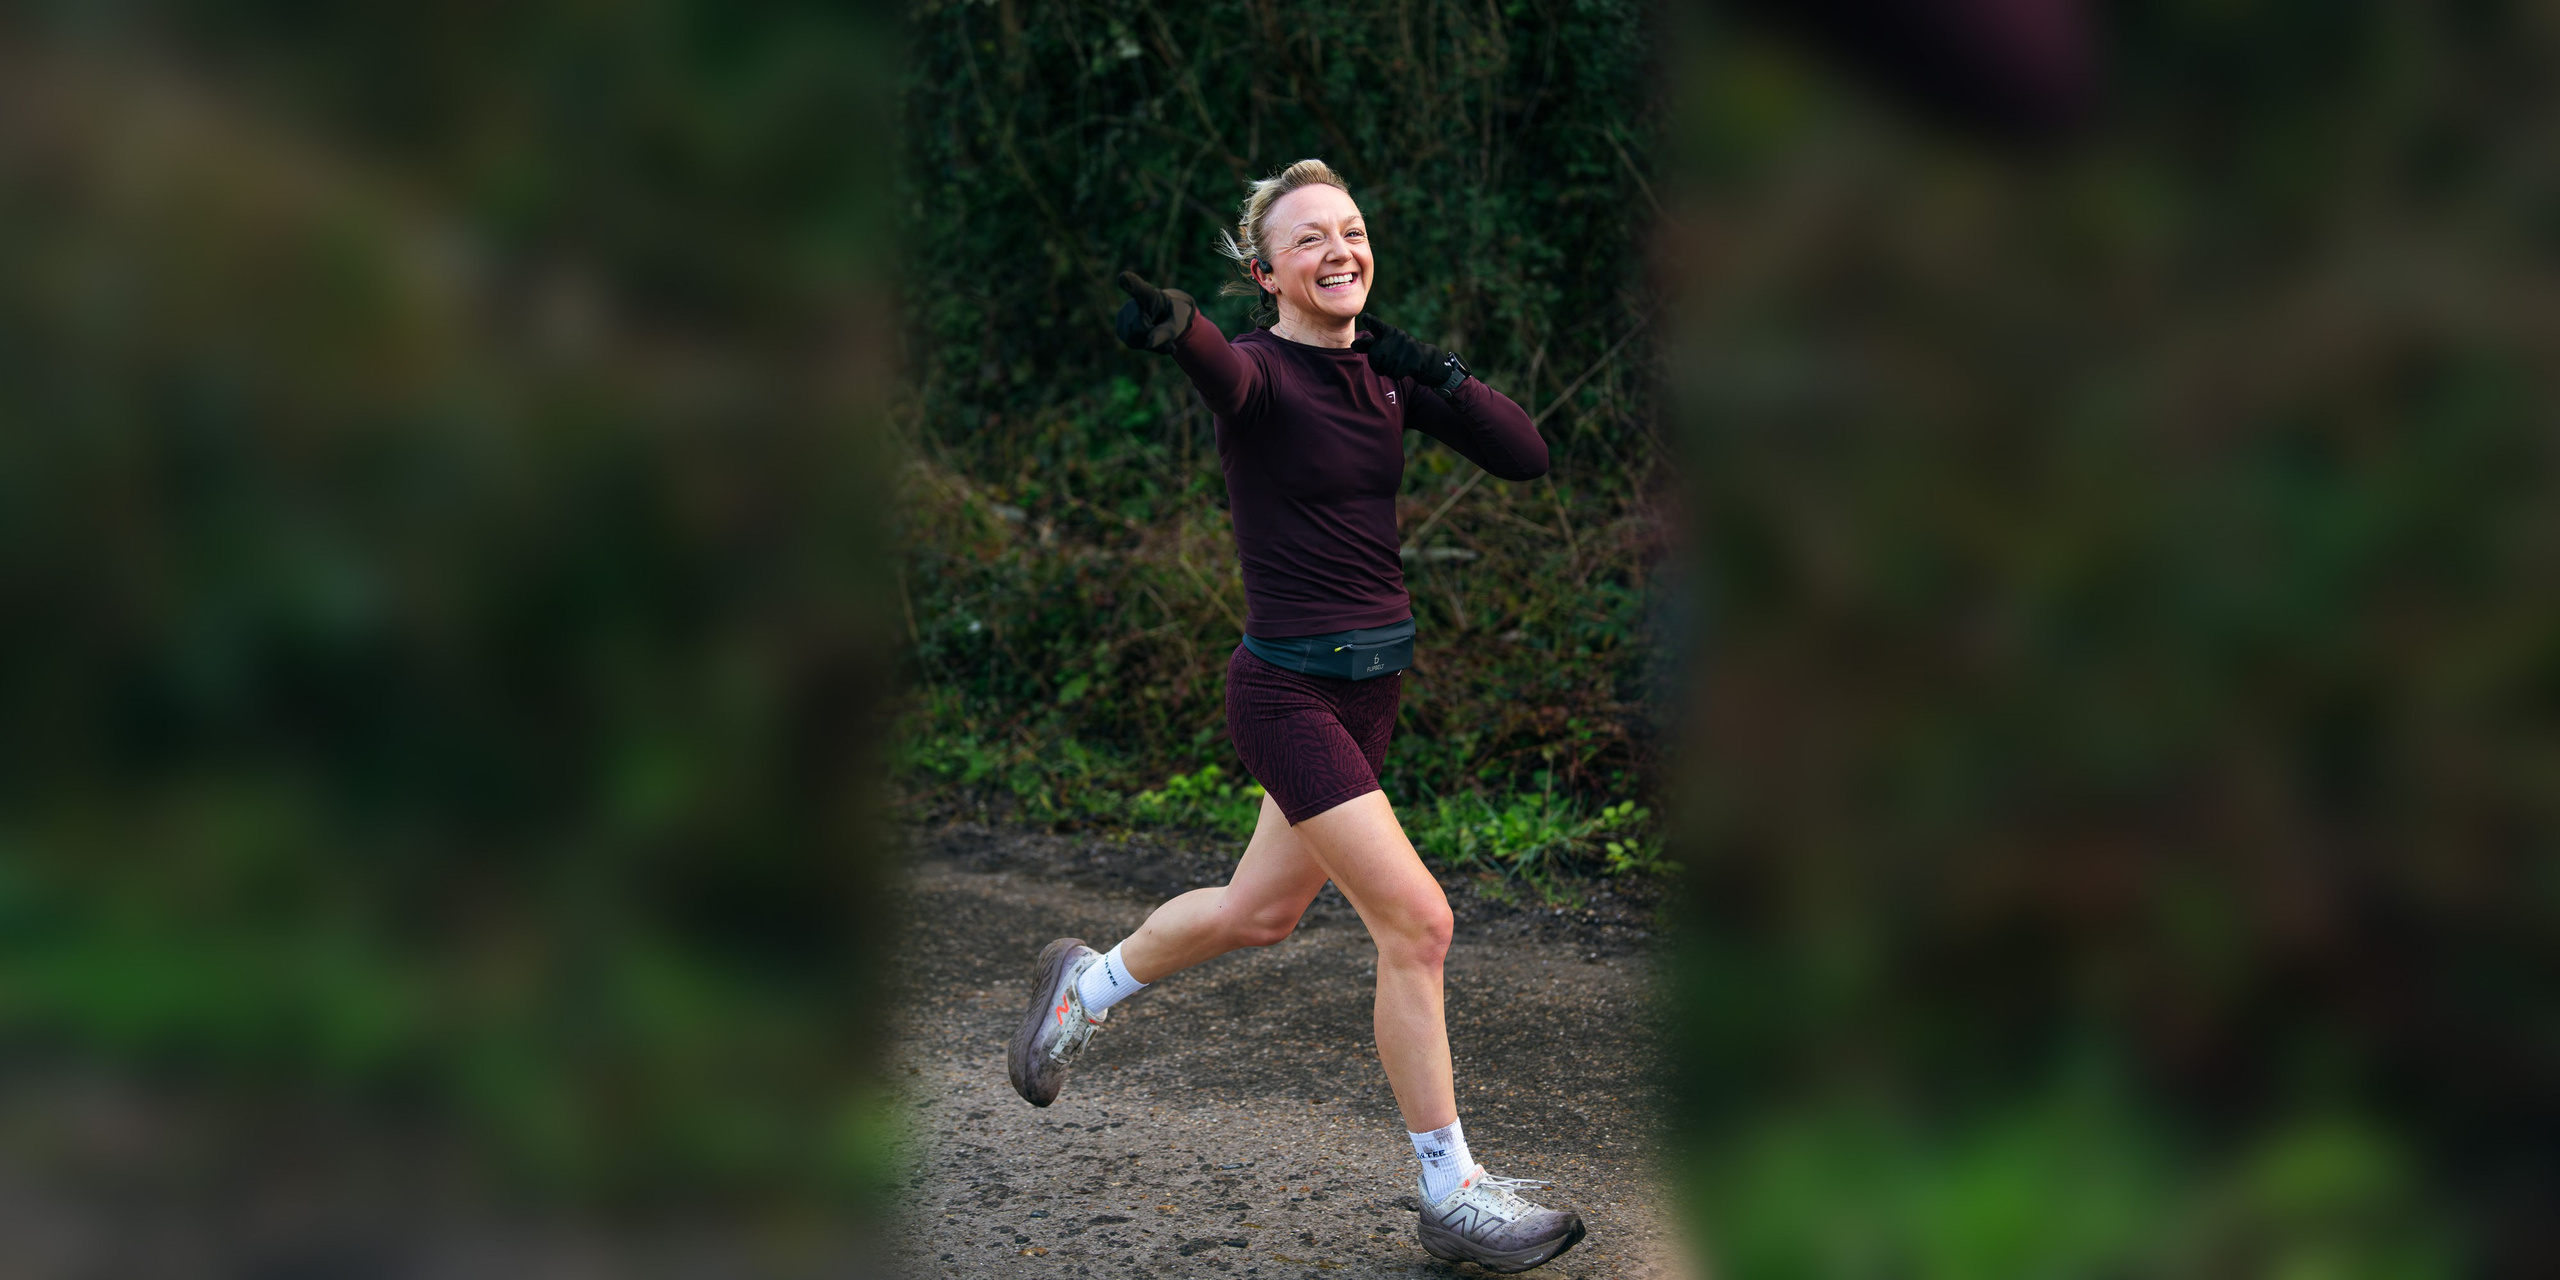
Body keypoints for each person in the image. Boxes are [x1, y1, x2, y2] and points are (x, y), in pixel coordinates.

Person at [1004, 159, 1584, 1274]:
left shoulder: (1382, 376)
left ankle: (1087, 985)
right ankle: (1449, 1187)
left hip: (1373, 690)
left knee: (1258, 910)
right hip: (1286, 690)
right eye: (1309, 238)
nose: (1339, 249)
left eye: (1353, 231)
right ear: (1266, 270)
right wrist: (1179, 331)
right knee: (1417, 922)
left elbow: (1525, 454)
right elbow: (1219, 368)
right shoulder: (1260, 373)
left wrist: (1426, 367)